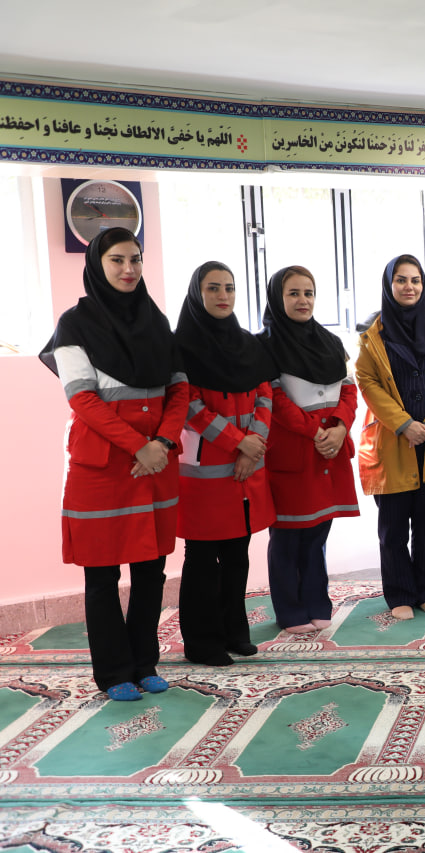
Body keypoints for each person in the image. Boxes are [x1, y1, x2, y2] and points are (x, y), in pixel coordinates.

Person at [39, 227, 188, 701]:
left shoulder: (156, 319)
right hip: (103, 468)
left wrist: (162, 441)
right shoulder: (74, 324)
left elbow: (179, 388)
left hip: (156, 461)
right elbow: (83, 399)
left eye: (135, 259)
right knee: (102, 575)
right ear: (97, 265)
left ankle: (145, 663)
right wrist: (139, 446)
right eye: (117, 260)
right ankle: (113, 672)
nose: (129, 269)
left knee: (150, 570)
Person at [174, 261, 279, 665]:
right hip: (206, 473)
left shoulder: (248, 344)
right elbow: (190, 406)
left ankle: (235, 632)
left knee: (238, 554)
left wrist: (255, 443)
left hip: (246, 468)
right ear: (197, 294)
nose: (223, 295)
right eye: (213, 288)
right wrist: (240, 442)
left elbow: (265, 391)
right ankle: (202, 642)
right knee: (202, 558)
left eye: (229, 288)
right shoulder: (181, 347)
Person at [356, 255, 425, 621]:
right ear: (389, 285)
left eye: (415, 280)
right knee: (394, 528)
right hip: (393, 441)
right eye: (401, 280)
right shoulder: (372, 336)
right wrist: (404, 424)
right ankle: (400, 594)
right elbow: (367, 382)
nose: (409, 286)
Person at [258, 265, 360, 634]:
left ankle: (318, 604)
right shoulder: (265, 346)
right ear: (277, 298)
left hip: (328, 451)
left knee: (317, 533)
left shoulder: (330, 342)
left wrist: (340, 426)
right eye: (294, 293)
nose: (303, 300)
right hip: (293, 452)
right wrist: (317, 431)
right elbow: (274, 399)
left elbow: (349, 390)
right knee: (288, 535)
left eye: (309, 293)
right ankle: (290, 611)